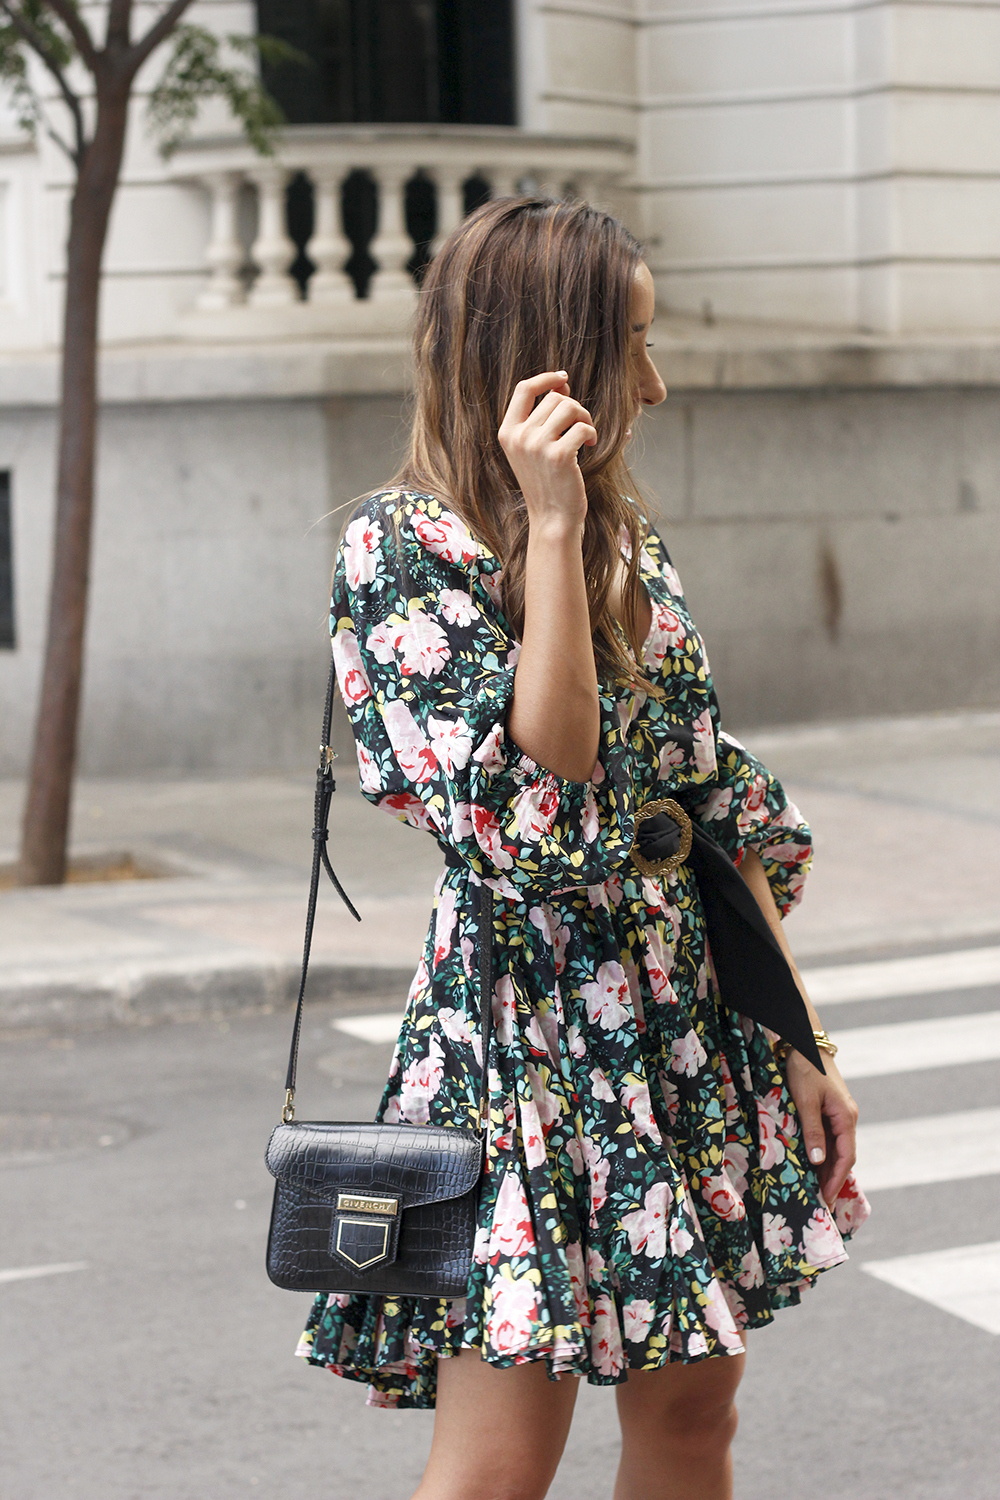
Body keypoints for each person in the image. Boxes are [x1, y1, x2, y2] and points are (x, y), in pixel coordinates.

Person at [297, 197, 869, 1500]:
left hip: (681, 1031)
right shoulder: (401, 550)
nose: (654, 388)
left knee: (696, 1420)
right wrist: (549, 529)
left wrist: (806, 1045)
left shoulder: (633, 542)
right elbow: (543, 799)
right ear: (546, 361)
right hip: (527, 1045)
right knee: (500, 1465)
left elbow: (710, 806)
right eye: (635, 348)